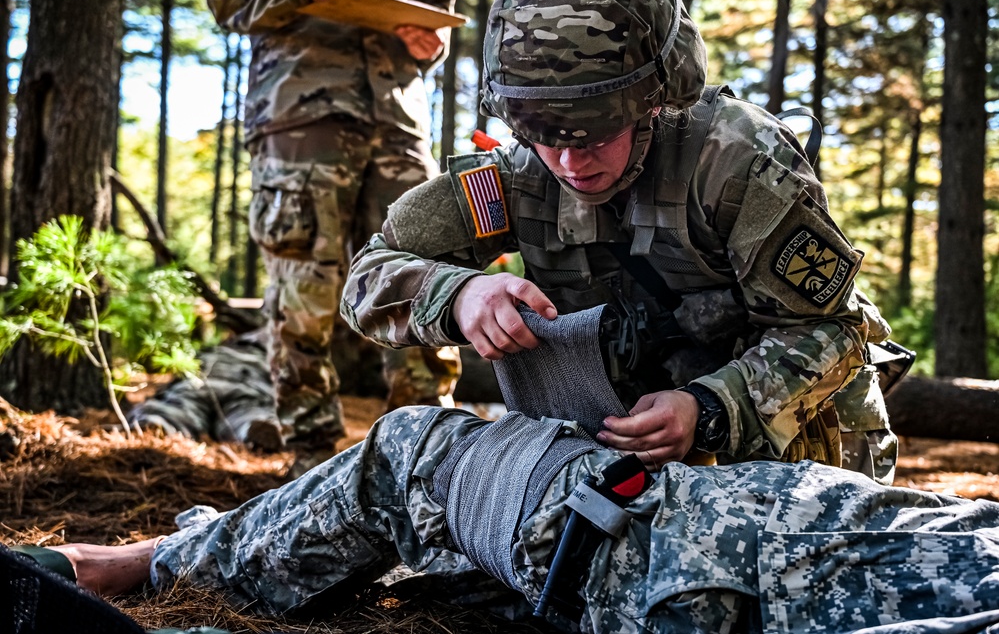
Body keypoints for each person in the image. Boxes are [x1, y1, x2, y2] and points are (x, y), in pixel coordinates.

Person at [341, 0, 897, 482]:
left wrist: (709, 407)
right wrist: (459, 294)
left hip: (793, 442)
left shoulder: (736, 162)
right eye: (546, 135)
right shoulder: (516, 177)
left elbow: (835, 330)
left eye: (597, 134)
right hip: (620, 447)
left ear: (654, 101)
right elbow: (368, 274)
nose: (569, 163)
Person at [35, 404, 999, 633]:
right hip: (653, 501)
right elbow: (390, 267)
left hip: (639, 541)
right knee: (415, 465)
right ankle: (157, 556)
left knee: (410, 452)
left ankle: (133, 566)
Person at [203, 0, 460, 458]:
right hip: (301, 113)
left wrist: (432, 43)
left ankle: (431, 452)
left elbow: (435, 1)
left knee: (424, 269)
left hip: (398, 116)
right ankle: (310, 455)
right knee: (304, 285)